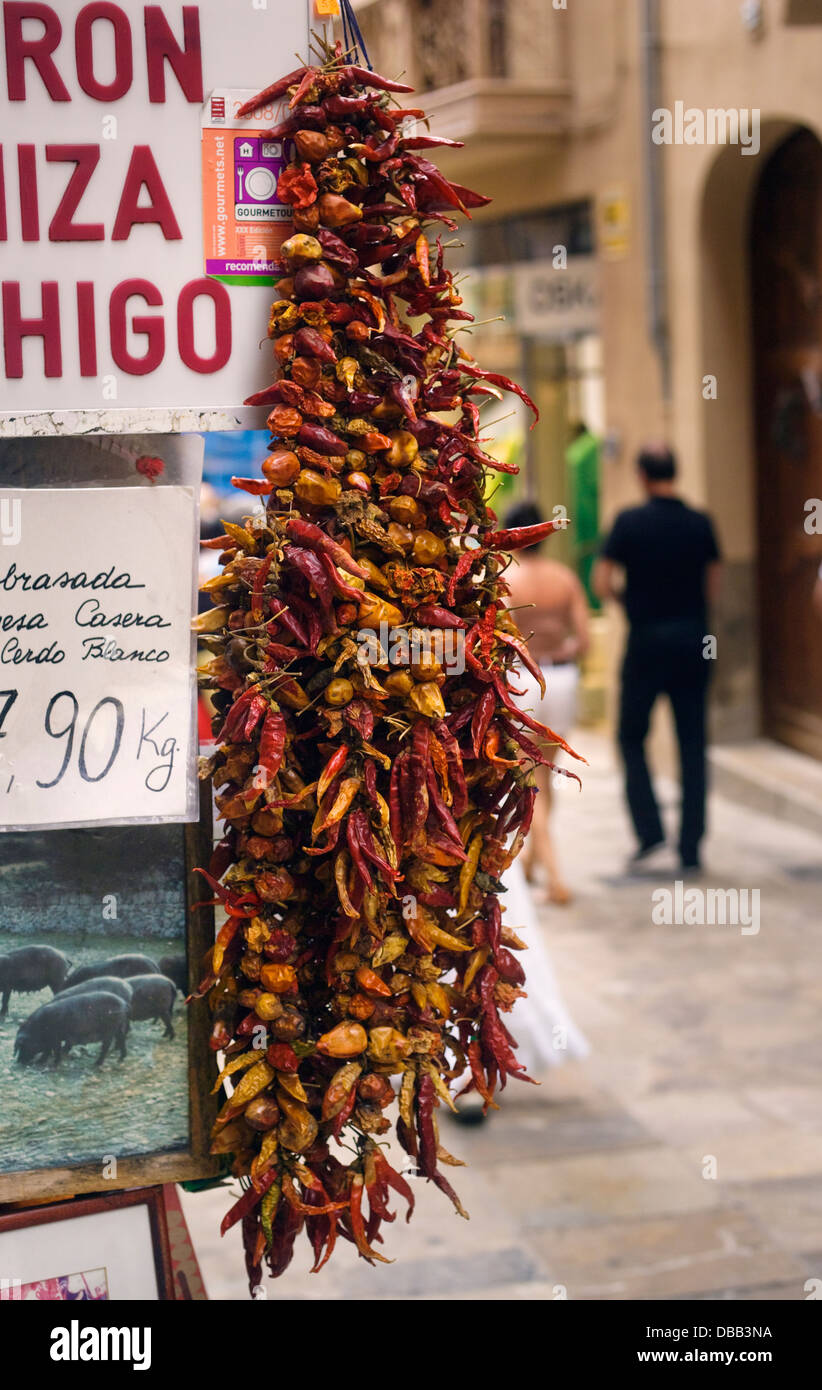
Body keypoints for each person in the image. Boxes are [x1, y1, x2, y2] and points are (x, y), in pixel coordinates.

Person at [593, 445, 722, 873]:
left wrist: (630, 604)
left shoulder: (630, 522)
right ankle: (690, 847)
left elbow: (602, 581)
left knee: (631, 737)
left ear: (643, 476)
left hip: (646, 642)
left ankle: (650, 832)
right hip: (693, 641)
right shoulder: (700, 523)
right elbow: (713, 587)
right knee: (693, 743)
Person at [503, 501, 590, 904]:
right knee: (548, 770)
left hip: (524, 678)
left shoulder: (508, 578)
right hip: (563, 676)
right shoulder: (564, 578)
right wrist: (565, 650)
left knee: (528, 773)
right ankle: (535, 860)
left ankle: (554, 875)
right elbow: (584, 639)